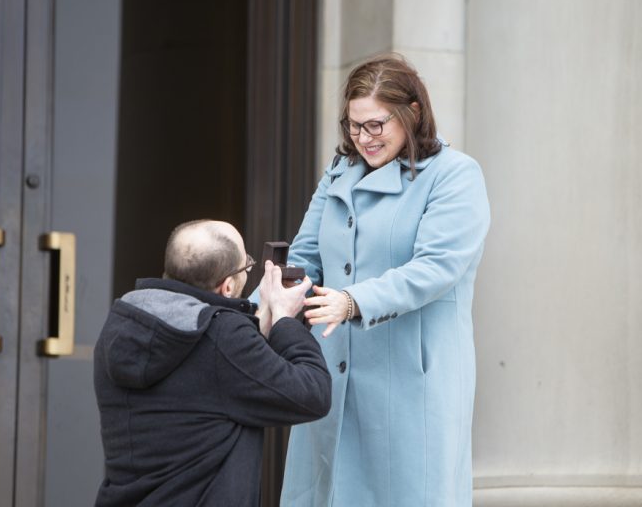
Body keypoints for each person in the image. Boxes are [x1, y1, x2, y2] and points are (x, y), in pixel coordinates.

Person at [278, 54, 491, 506]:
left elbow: (434, 269)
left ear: (412, 113)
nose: (364, 139)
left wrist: (351, 301)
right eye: (354, 126)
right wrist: (278, 296)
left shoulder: (454, 176)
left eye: (377, 125)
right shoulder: (337, 172)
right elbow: (305, 255)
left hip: (413, 382)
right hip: (333, 376)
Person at [93, 219, 331, 507]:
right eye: (247, 266)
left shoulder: (121, 323)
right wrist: (283, 318)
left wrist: (259, 330)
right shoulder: (223, 338)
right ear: (228, 286)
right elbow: (313, 393)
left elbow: (208, 382)